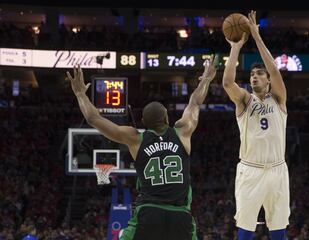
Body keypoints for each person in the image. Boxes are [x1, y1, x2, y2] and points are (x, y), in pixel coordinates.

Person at [66, 56, 217, 240]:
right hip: (181, 216)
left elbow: (93, 119)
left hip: (148, 213)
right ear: (167, 119)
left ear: (144, 123)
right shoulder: (182, 132)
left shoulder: (136, 138)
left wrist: (80, 94)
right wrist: (207, 79)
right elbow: (195, 102)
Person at [222, 10, 290, 240]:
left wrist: (256, 36)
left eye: (260, 74)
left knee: (279, 226)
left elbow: (274, 68)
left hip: (277, 168)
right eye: (252, 74)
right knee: (245, 227)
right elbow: (227, 82)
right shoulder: (244, 100)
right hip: (250, 170)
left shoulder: (279, 98)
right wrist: (235, 47)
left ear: (268, 80)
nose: (255, 77)